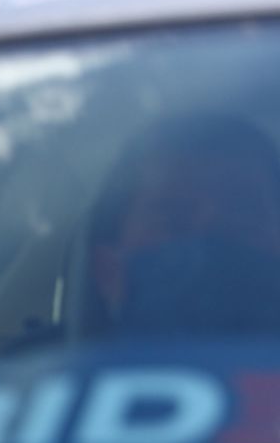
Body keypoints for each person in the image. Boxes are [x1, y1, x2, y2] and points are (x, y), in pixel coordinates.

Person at [86, 119, 280, 336]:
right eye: (174, 222)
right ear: (108, 271)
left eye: (241, 219)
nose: (211, 243)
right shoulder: (53, 368)